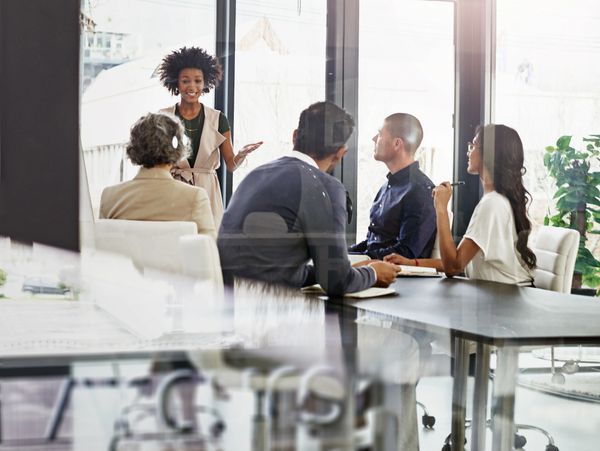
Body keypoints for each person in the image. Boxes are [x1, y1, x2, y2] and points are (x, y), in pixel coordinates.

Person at [217, 101, 399, 296]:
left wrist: (347, 270)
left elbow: (267, 267)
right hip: (272, 312)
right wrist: (372, 273)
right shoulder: (326, 187)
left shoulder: (256, 174)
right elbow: (336, 282)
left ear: (295, 135)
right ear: (340, 154)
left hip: (224, 303)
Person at [385, 124, 536, 286]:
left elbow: (453, 266)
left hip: (507, 299)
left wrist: (441, 208)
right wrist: (411, 263)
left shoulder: (492, 204)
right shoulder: (497, 200)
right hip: (502, 294)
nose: (468, 152)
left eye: (473, 146)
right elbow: (460, 261)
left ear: (489, 154)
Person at [158, 46, 263, 226]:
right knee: (174, 240)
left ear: (206, 83)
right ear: (176, 83)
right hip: (173, 189)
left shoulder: (218, 119)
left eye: (198, 81)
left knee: (207, 243)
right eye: (185, 81)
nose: (192, 86)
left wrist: (241, 155)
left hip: (207, 191)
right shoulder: (163, 116)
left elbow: (230, 165)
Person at [99, 112, 216, 238]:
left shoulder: (110, 197)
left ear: (134, 147)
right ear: (178, 148)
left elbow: (103, 252)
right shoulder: (195, 198)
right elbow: (210, 254)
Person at [349, 113, 436, 260]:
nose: (374, 139)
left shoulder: (420, 191)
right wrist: (345, 255)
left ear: (397, 144)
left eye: (380, 134)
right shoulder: (386, 187)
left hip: (399, 277)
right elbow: (373, 243)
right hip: (375, 270)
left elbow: (406, 252)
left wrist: (361, 259)